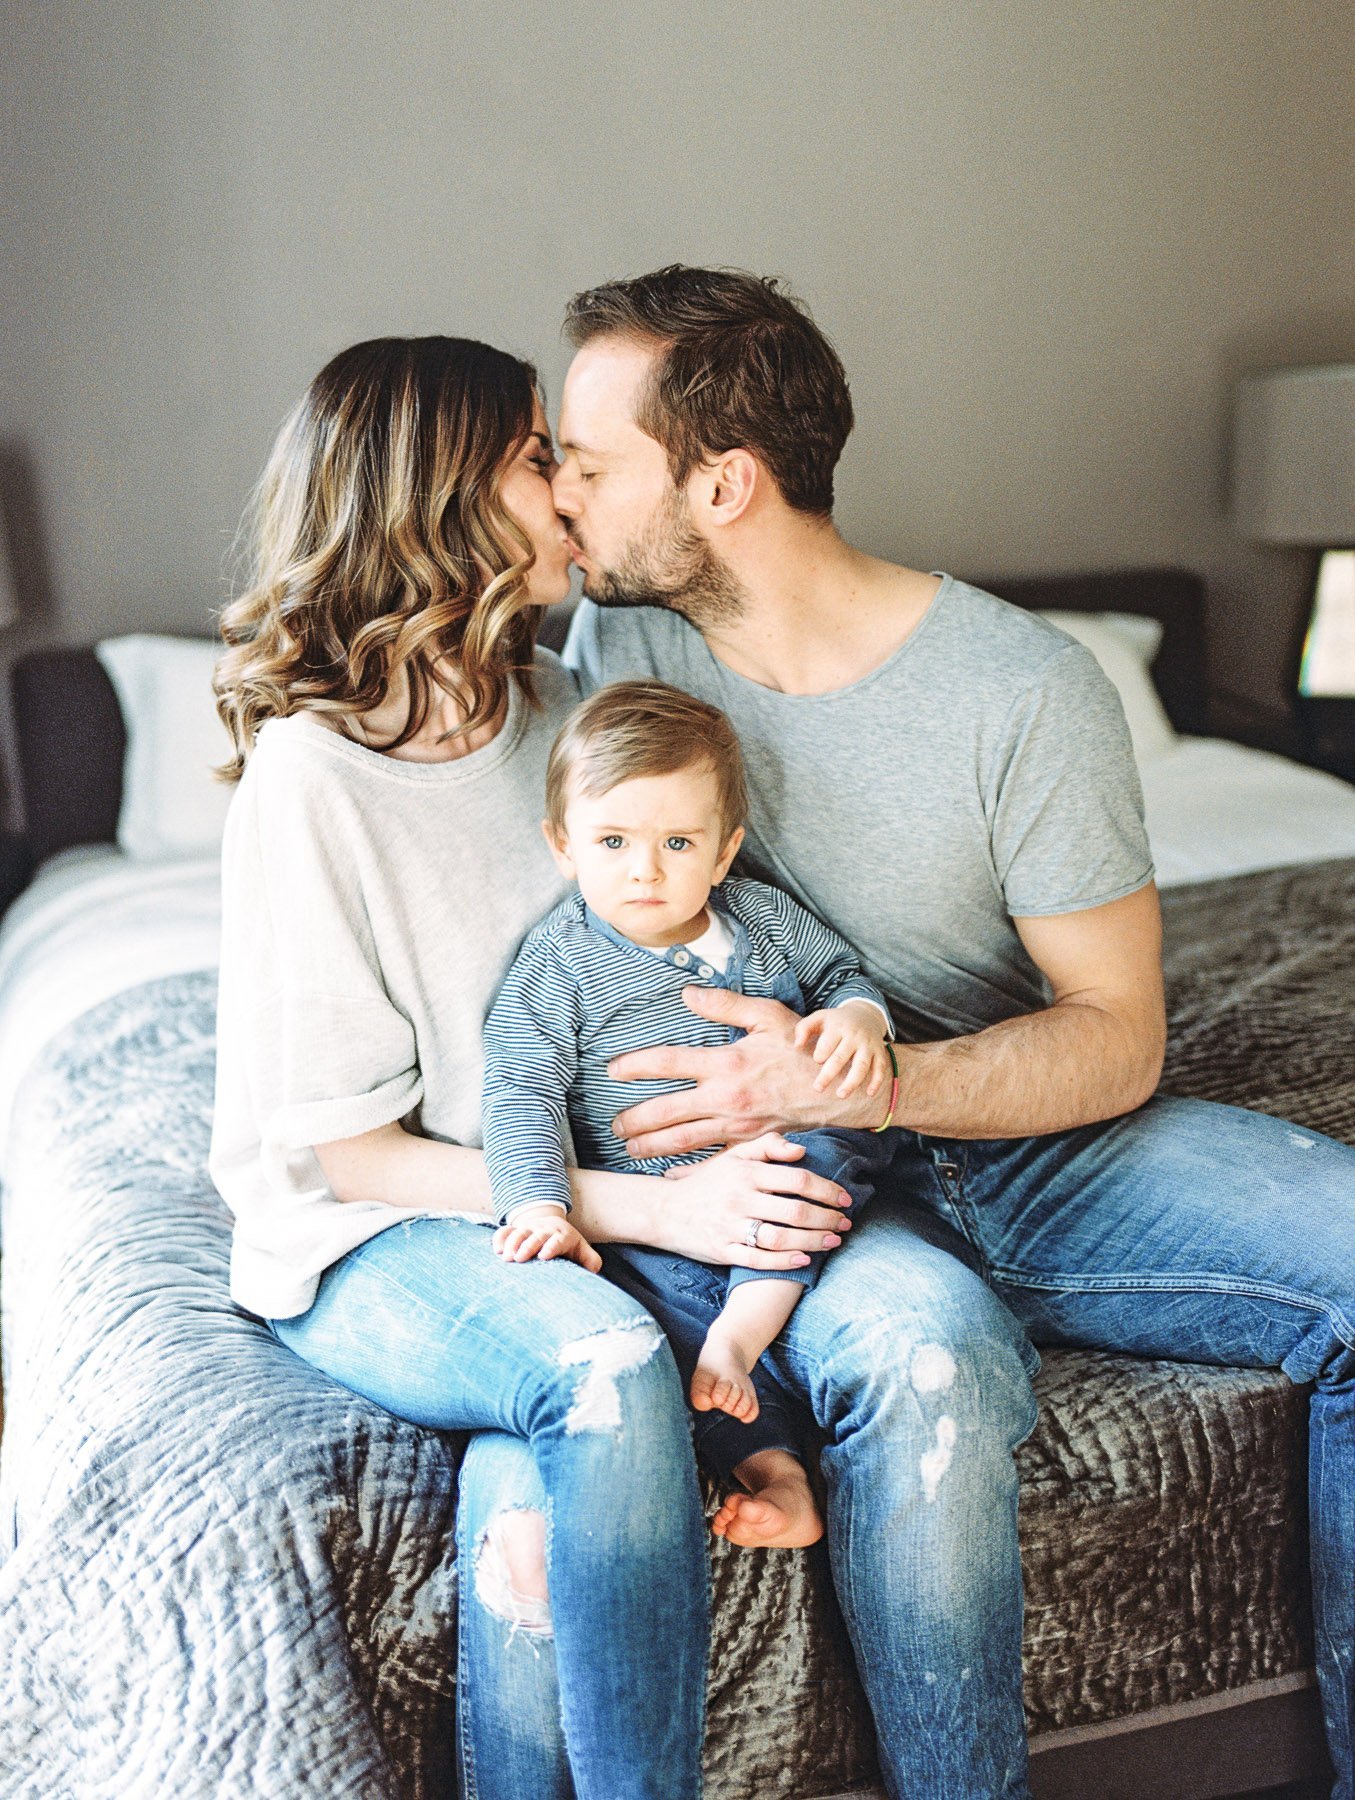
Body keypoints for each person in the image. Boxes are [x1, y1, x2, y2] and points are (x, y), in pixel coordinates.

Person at [546, 263, 1355, 1800]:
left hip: (1030, 1143)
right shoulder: (615, 654)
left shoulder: (1019, 688)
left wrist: (881, 1074)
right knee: (928, 1367)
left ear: (721, 483)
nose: (557, 497)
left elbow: (1114, 1036)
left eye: (585, 464)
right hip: (794, 1192)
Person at [207, 334, 852, 1800]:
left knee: (529, 1505)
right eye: (532, 457)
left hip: (548, 1203)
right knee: (609, 1362)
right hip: (371, 1227)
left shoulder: (567, 718)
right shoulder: (316, 778)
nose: (568, 488)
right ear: (440, 496)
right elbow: (348, 1154)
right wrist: (660, 1215)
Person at [482, 677, 904, 1546]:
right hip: (662, 1212)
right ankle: (776, 1473)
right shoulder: (558, 967)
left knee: (815, 1155)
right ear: (563, 847)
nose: (645, 869)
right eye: (612, 840)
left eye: (677, 841)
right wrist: (538, 1207)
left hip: (800, 1161)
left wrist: (859, 1020)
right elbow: (518, 1092)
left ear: (723, 851)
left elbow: (841, 979)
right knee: (648, 1323)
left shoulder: (764, 918)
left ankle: (742, 1336)